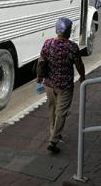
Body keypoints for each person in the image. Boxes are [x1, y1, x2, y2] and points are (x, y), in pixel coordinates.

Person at [37, 17, 85, 153]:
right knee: (61, 113)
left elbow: (41, 62)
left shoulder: (48, 43)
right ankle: (53, 140)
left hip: (49, 84)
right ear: (69, 31)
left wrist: (39, 77)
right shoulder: (72, 47)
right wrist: (82, 76)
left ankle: (53, 133)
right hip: (65, 86)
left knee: (52, 109)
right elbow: (79, 64)